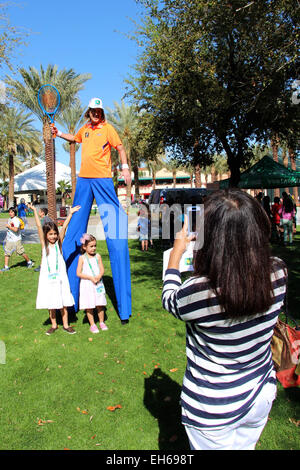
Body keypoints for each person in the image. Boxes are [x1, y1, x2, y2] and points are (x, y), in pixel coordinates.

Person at [162, 189, 287, 450]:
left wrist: (176, 254)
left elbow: (170, 300)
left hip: (213, 408)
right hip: (260, 392)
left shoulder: (199, 292)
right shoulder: (278, 271)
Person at [52, 97, 132, 325]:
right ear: (88, 113)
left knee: (118, 240)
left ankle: (124, 311)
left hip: (104, 182)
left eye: (99, 111)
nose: (96, 114)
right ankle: (70, 303)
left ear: (102, 112)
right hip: (84, 182)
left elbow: (120, 147)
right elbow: (73, 139)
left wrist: (125, 169)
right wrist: (58, 133)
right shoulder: (84, 129)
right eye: (93, 111)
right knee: (71, 240)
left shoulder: (108, 129)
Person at [28, 203, 81, 335]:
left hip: (60, 277)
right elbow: (39, 226)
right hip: (47, 277)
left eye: (54, 234)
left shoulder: (59, 244)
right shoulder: (44, 246)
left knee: (63, 300)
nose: (53, 236)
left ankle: (66, 324)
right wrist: (35, 211)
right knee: (51, 301)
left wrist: (70, 214)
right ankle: (53, 325)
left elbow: (64, 228)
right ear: (46, 235)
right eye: (50, 234)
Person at [76, 233, 108, 333]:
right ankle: (92, 324)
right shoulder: (82, 258)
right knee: (89, 304)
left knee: (100, 303)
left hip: (98, 283)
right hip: (87, 284)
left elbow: (102, 269)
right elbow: (78, 273)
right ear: (84, 247)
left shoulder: (98, 256)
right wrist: (90, 277)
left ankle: (102, 322)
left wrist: (99, 276)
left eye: (95, 246)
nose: (94, 248)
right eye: (91, 246)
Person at [0, 207, 34, 272]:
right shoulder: (10, 219)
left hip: (16, 239)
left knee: (21, 252)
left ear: (15, 213)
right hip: (9, 239)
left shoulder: (16, 220)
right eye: (9, 212)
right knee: (7, 252)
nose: (10, 213)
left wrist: (9, 226)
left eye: (12, 212)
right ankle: (6, 267)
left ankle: (29, 262)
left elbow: (16, 229)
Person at [34, 208, 54, 272]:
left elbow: (49, 228)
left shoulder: (46, 219)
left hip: (47, 238)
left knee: (45, 252)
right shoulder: (45, 219)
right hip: (46, 238)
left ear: (43, 213)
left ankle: (42, 266)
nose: (38, 212)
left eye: (39, 211)